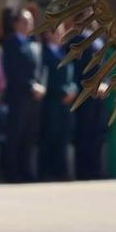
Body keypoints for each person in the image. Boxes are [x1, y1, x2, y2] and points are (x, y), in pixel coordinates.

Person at [0, 9, 46, 182]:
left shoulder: (33, 42)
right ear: (16, 23)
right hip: (19, 96)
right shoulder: (11, 43)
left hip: (34, 97)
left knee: (29, 136)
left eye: (31, 21)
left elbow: (40, 68)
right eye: (25, 21)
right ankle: (12, 172)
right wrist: (30, 85)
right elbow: (13, 70)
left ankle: (26, 170)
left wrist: (41, 85)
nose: (29, 25)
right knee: (16, 135)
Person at [69, 26, 108, 181]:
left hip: (98, 95)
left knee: (96, 134)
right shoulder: (77, 39)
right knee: (84, 133)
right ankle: (84, 170)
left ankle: (95, 169)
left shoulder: (98, 39)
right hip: (84, 95)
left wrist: (104, 83)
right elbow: (77, 69)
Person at [39, 24, 77, 181]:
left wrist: (73, 89)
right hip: (52, 102)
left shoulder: (64, 52)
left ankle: (61, 171)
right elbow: (46, 79)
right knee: (51, 137)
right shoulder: (44, 54)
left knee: (63, 137)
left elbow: (72, 76)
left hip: (66, 103)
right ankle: (49, 171)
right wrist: (62, 92)